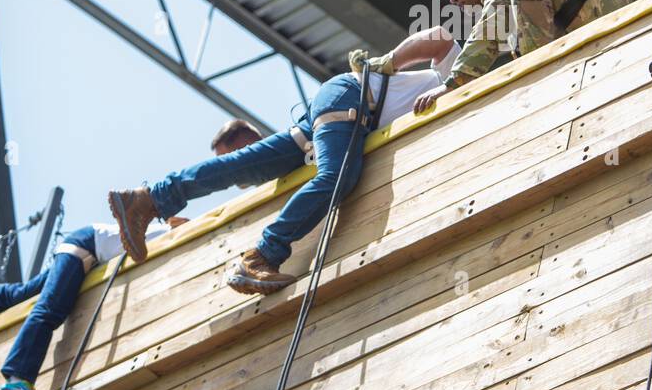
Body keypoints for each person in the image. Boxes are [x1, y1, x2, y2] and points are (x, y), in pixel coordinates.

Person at [107, 26, 461, 295]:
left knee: (243, 165)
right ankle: (264, 255)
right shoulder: (458, 74)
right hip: (353, 98)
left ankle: (149, 198)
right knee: (338, 177)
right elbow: (441, 36)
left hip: (341, 105)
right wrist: (386, 66)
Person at [0, 119, 261, 390]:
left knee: (24, 294)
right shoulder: (173, 228)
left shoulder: (177, 226)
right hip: (86, 245)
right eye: (224, 158)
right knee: (52, 307)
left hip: (86, 250)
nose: (229, 166)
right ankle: (18, 377)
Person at [411, 0, 642, 113]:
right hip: (618, 28)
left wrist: (451, 84)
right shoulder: (512, 11)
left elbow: (487, 35)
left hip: (629, 16)